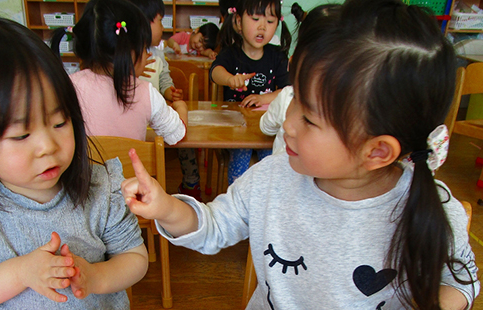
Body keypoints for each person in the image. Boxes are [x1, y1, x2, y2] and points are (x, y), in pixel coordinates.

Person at [122, 0, 480, 310]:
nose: (287, 125)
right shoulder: (273, 176)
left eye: (308, 117)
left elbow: (461, 281)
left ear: (376, 151)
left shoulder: (428, 206)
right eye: (291, 100)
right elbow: (214, 224)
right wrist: (165, 207)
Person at [0, 17, 148, 310]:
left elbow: (135, 257)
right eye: (21, 135)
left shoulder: (100, 185)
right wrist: (20, 273)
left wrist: (97, 276)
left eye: (60, 122)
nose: (48, 145)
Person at [51, 0, 187, 147]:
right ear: (130, 52)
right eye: (144, 48)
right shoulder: (145, 92)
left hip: (85, 170)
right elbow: (176, 134)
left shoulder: (69, 86)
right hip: (130, 169)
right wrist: (181, 107)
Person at [128, 0, 203, 200]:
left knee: (185, 145)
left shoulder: (158, 54)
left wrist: (170, 92)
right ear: (142, 23)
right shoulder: (125, 57)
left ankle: (191, 184)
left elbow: (164, 79)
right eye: (160, 21)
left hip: (158, 120)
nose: (163, 27)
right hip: (137, 127)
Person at [211, 0, 291, 184]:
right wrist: (230, 79)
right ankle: (237, 199)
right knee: (241, 152)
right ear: (238, 22)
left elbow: (286, 90)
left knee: (271, 157)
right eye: (255, 19)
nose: (262, 27)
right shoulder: (231, 54)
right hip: (237, 131)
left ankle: (264, 200)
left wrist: (263, 98)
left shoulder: (277, 55)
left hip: (266, 128)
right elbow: (215, 71)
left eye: (270, 22)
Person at [260, 3, 340, 155]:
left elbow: (265, 126)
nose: (290, 127)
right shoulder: (345, 107)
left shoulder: (287, 96)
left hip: (281, 173)